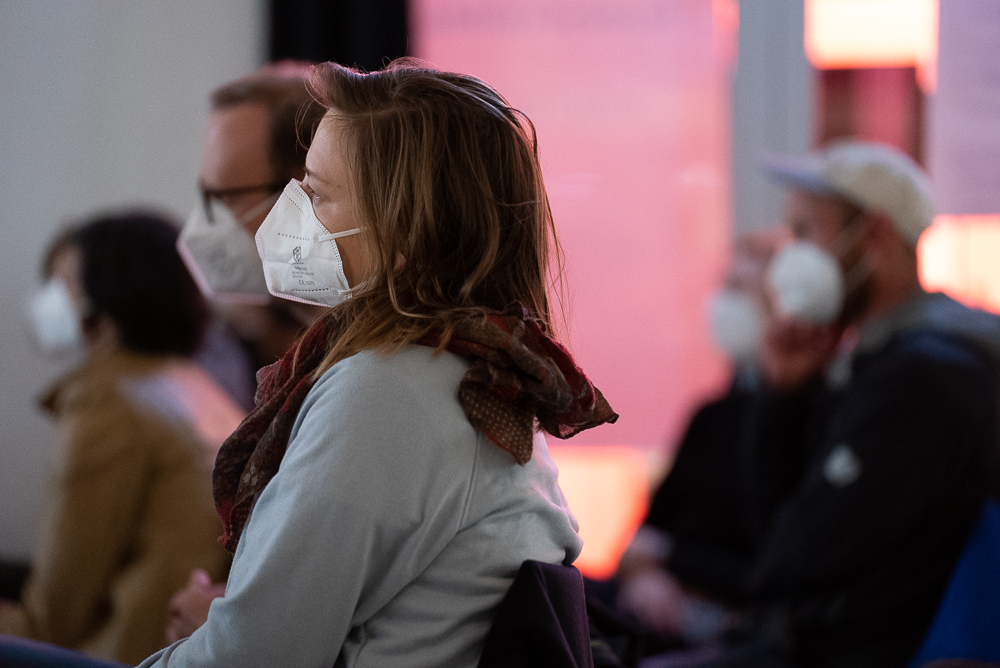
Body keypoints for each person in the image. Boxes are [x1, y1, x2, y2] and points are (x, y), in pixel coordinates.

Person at [139, 59, 618, 667]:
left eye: (316, 194)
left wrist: (216, 631)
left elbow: (253, 659)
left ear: (404, 229)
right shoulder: (463, 365)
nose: (293, 215)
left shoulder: (386, 388)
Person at [645, 140, 1000, 668]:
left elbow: (791, 559)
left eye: (806, 232)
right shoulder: (875, 359)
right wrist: (786, 394)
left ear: (873, 235)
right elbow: (781, 534)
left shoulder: (926, 376)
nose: (793, 256)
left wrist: (677, 561)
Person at [0, 212, 242, 664]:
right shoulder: (194, 386)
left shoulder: (108, 402)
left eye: (62, 284)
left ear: (107, 307)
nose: (47, 299)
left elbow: (53, 620)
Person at [616, 230, 812, 647]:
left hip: (733, 625)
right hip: (660, 605)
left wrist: (666, 558)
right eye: (725, 286)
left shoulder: (809, 417)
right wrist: (643, 575)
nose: (723, 303)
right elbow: (644, 538)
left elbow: (773, 568)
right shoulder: (711, 416)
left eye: (740, 289)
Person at [178, 61, 328, 391]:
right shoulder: (240, 345)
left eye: (227, 197)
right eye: (207, 197)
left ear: (308, 190)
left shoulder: (372, 358)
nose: (206, 225)